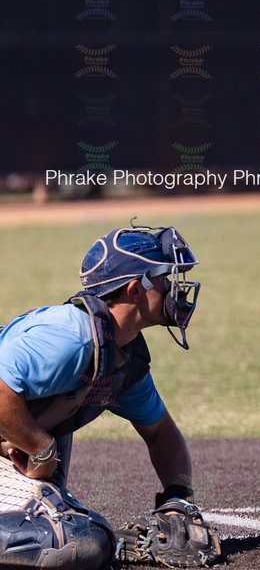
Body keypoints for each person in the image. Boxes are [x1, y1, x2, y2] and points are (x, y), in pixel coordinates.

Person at [0, 221, 218, 569]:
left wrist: (177, 501)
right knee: (81, 541)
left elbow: (160, 432)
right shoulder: (72, 336)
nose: (173, 287)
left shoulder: (119, 356)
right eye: (163, 278)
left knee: (86, 536)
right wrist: (41, 449)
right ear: (134, 289)